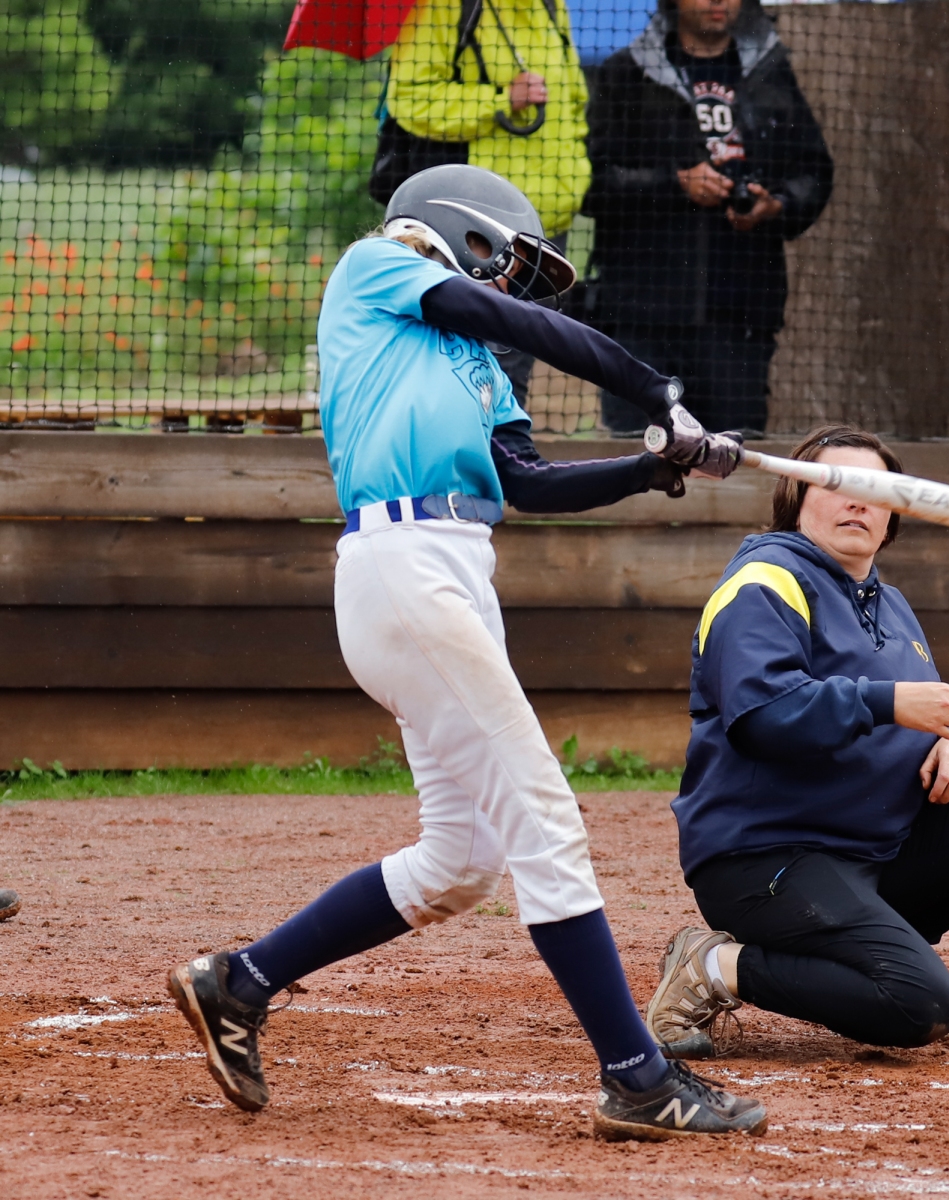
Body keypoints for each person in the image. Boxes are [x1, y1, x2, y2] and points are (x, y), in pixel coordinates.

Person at [165, 165, 767, 1140]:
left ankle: (239, 982)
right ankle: (636, 1076)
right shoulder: (376, 269)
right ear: (461, 231)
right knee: (544, 820)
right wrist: (653, 387)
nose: (514, 285)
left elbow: (525, 481)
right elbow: (517, 321)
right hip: (403, 564)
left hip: (455, 573)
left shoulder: (474, 362)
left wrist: (654, 464)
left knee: (461, 862)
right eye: (510, 262)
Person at [640, 426, 949, 1057]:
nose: (857, 501)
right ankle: (715, 966)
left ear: (892, 516)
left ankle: (884, 954)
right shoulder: (763, 583)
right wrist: (887, 701)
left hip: (872, 850)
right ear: (796, 498)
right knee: (920, 1006)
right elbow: (762, 715)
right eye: (837, 484)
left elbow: (932, 709)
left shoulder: (889, 602)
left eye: (875, 491)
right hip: (768, 858)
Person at [581, 0, 833, 436]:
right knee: (641, 456)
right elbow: (590, 181)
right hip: (641, 313)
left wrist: (777, 204)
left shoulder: (768, 71)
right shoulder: (628, 73)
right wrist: (674, 183)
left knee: (733, 456)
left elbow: (814, 171)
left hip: (739, 316)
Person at [378, 0, 592, 401]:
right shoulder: (446, 5)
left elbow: (574, 101)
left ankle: (503, 443)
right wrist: (500, 101)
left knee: (515, 366)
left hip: (545, 224)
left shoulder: (551, 5)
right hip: (472, 229)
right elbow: (409, 98)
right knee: (466, 361)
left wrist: (576, 176)